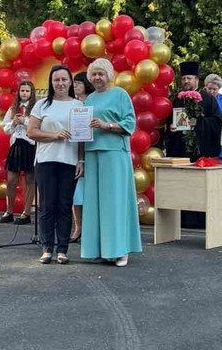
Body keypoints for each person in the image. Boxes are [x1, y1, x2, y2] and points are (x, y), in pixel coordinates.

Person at [80, 59, 142, 267]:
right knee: (94, 203)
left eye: (101, 73)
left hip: (114, 152)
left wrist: (107, 125)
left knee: (115, 202)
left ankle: (120, 250)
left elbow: (130, 122)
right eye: (94, 74)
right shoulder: (89, 98)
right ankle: (100, 249)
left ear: (108, 75)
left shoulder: (120, 94)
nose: (97, 77)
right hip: (92, 152)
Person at [27, 65, 83, 264]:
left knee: (64, 205)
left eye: (64, 79)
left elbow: (82, 137)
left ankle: (62, 249)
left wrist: (81, 160)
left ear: (70, 82)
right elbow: (31, 132)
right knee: (47, 205)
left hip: (69, 161)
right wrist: (54, 135)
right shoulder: (42, 105)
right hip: (46, 161)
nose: (60, 83)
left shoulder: (78, 105)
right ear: (51, 83)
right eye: (56, 80)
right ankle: (47, 248)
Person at [0, 81, 37, 225]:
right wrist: (14, 122)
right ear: (19, 92)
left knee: (29, 180)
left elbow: (39, 126)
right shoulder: (13, 107)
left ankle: (26, 213)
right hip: (16, 145)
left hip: (30, 145)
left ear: (31, 93)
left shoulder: (36, 108)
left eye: (27, 91)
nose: (24, 93)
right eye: (22, 91)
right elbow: (5, 128)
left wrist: (25, 121)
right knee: (11, 180)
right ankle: (9, 211)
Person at [70, 72, 94, 242]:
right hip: (73, 153)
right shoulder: (72, 104)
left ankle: (90, 228)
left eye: (79, 82)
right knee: (76, 195)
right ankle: (78, 227)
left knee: (89, 193)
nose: (76, 85)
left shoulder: (92, 103)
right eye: (74, 83)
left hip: (91, 152)